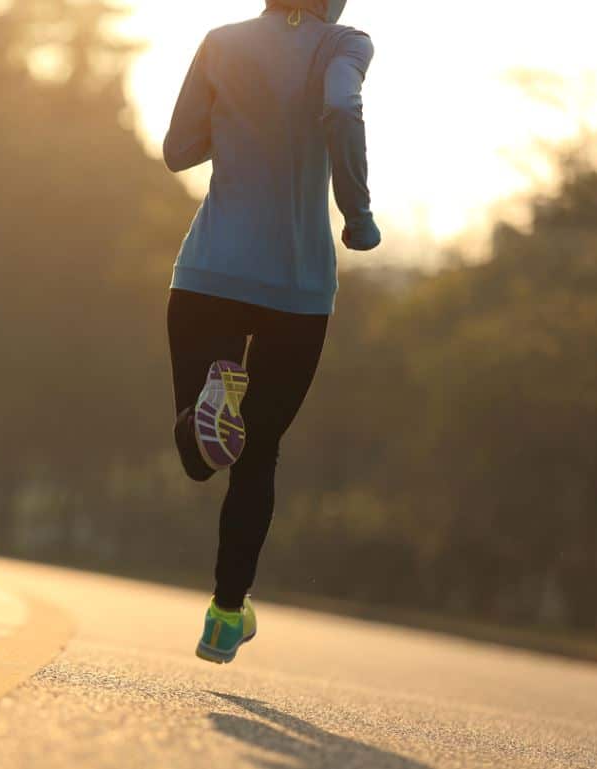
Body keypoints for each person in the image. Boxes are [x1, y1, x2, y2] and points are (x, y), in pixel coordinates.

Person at [163, 0, 380, 664]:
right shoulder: (345, 44)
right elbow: (342, 109)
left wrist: (236, 127)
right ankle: (227, 615)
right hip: (297, 287)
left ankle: (210, 403)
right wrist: (357, 208)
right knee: (257, 455)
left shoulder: (220, 41)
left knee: (204, 457)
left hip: (208, 274)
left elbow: (177, 149)